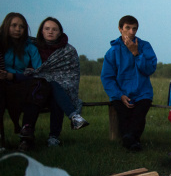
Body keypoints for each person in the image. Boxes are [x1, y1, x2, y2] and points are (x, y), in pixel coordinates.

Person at [29, 17, 89, 147]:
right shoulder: (32, 47)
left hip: (60, 92)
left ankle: (53, 138)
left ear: (60, 32)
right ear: (41, 31)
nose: (50, 32)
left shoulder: (68, 51)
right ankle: (74, 117)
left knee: (55, 92)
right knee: (50, 84)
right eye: (47, 29)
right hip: (36, 89)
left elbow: (72, 75)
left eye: (54, 29)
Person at [100, 15, 157, 151]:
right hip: (120, 93)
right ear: (120, 29)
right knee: (124, 115)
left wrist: (136, 53)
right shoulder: (113, 51)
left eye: (134, 29)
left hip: (142, 92)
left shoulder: (145, 46)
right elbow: (107, 77)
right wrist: (119, 95)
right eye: (128, 28)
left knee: (139, 114)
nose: (131, 32)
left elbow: (150, 69)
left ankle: (129, 139)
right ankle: (132, 141)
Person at [0, 13, 50, 151]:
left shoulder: (30, 47)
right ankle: (1, 139)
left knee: (39, 85)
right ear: (6, 26)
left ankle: (26, 134)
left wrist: (14, 76)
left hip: (23, 82)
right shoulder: (2, 46)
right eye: (14, 25)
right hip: (3, 84)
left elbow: (39, 72)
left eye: (22, 27)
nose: (18, 29)